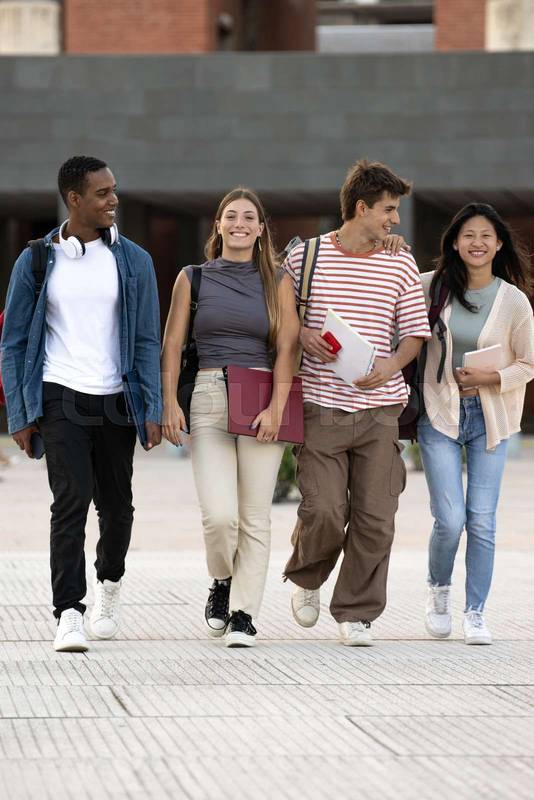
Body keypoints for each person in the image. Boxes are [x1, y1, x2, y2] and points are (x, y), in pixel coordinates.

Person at [0, 156, 162, 652]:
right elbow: (14, 342)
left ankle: (108, 585)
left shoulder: (134, 260)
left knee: (118, 509)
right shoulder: (36, 259)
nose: (113, 200)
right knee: (69, 503)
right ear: (74, 199)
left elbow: (146, 341)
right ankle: (68, 611)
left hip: (116, 398)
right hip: (59, 394)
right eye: (102, 193)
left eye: (114, 190)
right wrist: (21, 414)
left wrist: (152, 406)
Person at [283, 159, 431, 646]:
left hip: (380, 411)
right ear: (361, 207)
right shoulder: (304, 258)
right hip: (321, 406)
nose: (394, 220)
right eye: (388, 210)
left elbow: (413, 333)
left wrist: (389, 366)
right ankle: (306, 575)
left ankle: (356, 612)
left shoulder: (399, 260)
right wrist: (303, 334)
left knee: (375, 518)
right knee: (324, 510)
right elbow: (279, 318)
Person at [161, 187, 300, 647]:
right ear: (217, 225)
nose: (239, 224)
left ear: (261, 229)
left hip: (261, 395)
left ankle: (243, 614)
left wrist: (277, 408)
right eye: (230, 216)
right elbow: (172, 346)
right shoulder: (193, 277)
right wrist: (169, 402)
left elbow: (288, 348)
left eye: (249, 218)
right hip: (206, 394)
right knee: (220, 517)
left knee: (255, 516)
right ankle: (221, 580)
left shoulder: (278, 279)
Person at [419, 203, 534, 646]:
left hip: (490, 416)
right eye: (468, 235)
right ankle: (438, 592)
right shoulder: (432, 287)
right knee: (449, 520)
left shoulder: (513, 301)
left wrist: (491, 378)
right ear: (454, 241)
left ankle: (476, 612)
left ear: (499, 243)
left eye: (486, 235)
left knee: (481, 520)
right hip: (440, 411)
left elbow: (528, 364)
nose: (477, 243)